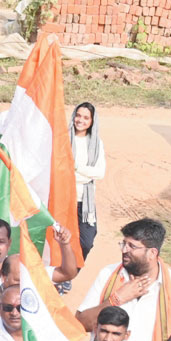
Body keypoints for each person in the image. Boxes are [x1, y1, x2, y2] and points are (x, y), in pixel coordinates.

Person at [75, 218, 171, 341]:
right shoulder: (107, 275)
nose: (124, 250)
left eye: (132, 246)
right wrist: (116, 299)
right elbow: (80, 323)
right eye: (123, 243)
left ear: (152, 253)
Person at [71, 102, 105, 260]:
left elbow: (99, 172)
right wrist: (85, 175)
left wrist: (76, 167)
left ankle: (70, 272)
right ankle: (61, 275)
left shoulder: (96, 144)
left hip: (84, 201)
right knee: (61, 240)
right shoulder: (64, 139)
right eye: (78, 115)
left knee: (86, 242)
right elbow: (59, 171)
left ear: (92, 121)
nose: (80, 120)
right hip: (64, 198)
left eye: (86, 117)